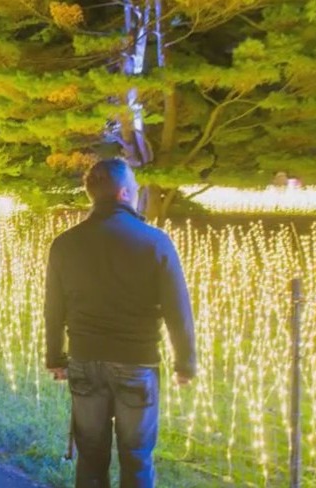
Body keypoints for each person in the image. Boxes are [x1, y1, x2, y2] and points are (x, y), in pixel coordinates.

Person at [44, 158, 196, 488]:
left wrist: (55, 357)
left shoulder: (65, 244)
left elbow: (54, 309)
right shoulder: (155, 242)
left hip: (85, 360)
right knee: (137, 456)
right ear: (124, 192)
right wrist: (185, 362)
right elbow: (177, 310)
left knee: (91, 456)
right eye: (136, 186)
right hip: (136, 361)